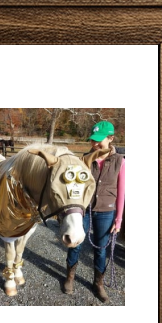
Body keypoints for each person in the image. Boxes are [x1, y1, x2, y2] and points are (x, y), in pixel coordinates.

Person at [63, 121, 125, 302]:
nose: (95, 144)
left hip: (106, 211)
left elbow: (121, 192)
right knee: (75, 243)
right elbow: (76, 185)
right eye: (92, 140)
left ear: (110, 138)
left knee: (101, 248)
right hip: (85, 209)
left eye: (99, 140)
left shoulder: (119, 162)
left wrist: (118, 218)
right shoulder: (84, 159)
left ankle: (98, 283)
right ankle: (70, 277)